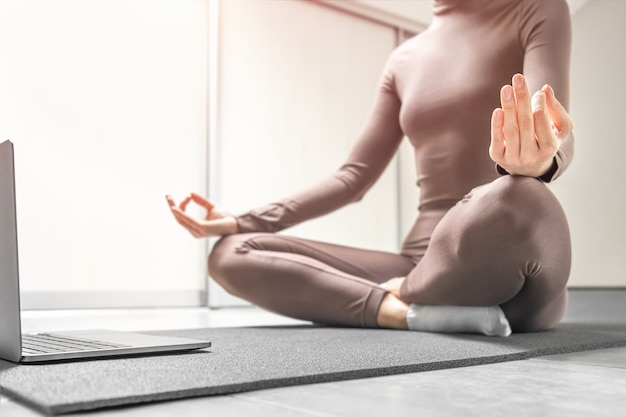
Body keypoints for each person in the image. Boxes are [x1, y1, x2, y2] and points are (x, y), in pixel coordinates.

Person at [166, 0, 574, 336]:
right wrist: (243, 221)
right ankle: (405, 313)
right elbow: (352, 178)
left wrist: (540, 159)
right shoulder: (404, 59)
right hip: (421, 262)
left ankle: (410, 295)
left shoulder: (534, 9)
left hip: (508, 260)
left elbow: (552, 123)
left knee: (516, 196)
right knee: (232, 253)